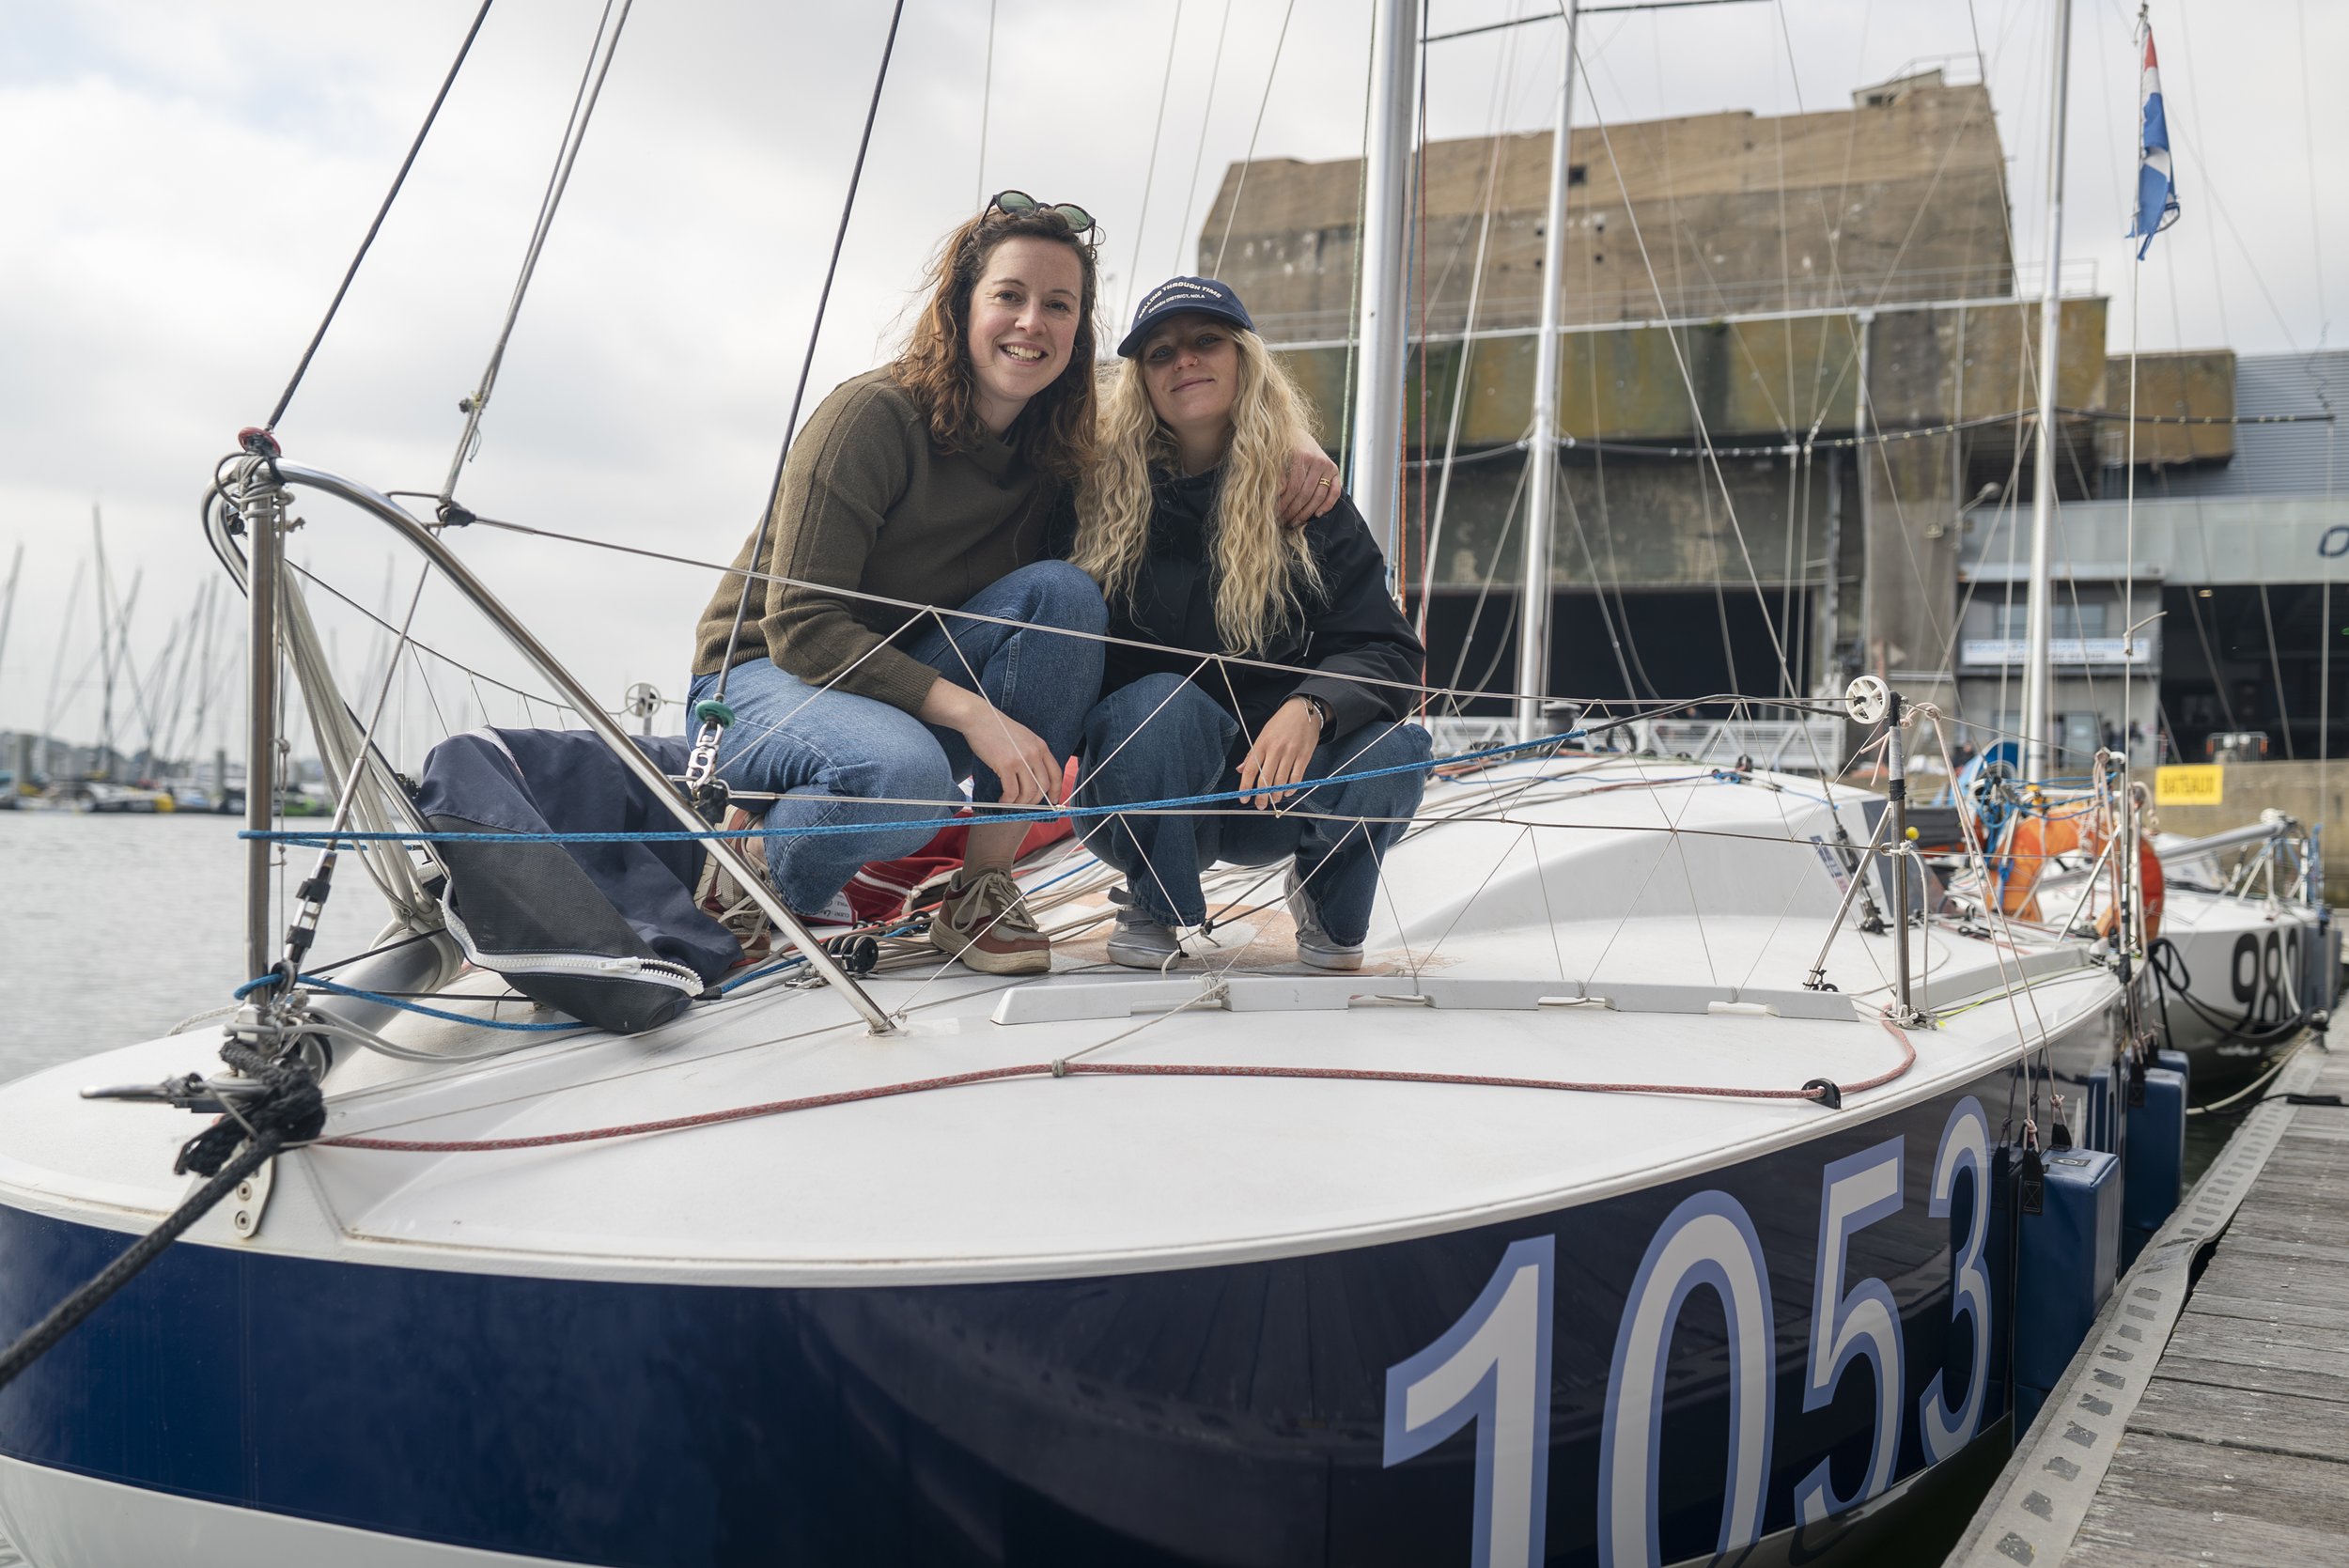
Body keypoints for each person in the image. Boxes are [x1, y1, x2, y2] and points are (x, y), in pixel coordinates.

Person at [689, 200, 1338, 976]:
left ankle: (981, 887)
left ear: (1078, 330)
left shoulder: (1057, 442)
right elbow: (802, 625)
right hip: (764, 678)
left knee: (1064, 597)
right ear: (962, 305)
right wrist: (974, 716)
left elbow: (1185, 395)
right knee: (907, 779)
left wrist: (1292, 435)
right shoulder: (871, 416)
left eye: (1058, 305)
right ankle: (754, 861)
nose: (1031, 323)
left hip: (897, 680)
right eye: (1008, 296)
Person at [1070, 277, 1431, 971]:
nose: (1185, 361)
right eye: (1160, 352)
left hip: (1278, 790)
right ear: (1137, 379)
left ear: (1244, 359)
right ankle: (1155, 901)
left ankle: (1326, 904)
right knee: (1158, 705)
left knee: (1397, 750)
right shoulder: (1094, 492)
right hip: (1141, 786)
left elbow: (1385, 647)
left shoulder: (1306, 495)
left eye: (1208, 341)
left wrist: (1313, 706)